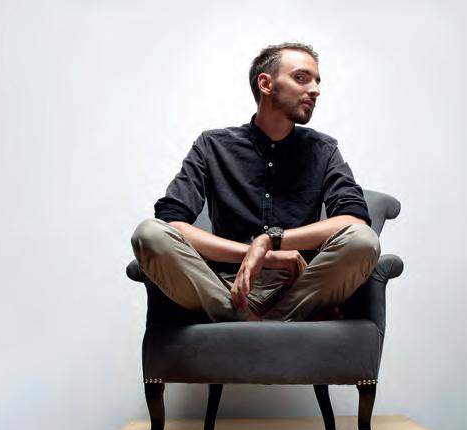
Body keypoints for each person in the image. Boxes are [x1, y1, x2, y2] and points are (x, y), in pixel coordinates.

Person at [131, 42, 380, 322]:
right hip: (224, 287)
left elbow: (354, 220)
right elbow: (172, 223)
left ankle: (244, 323)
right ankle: (264, 323)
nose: (315, 90)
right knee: (149, 234)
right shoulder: (212, 146)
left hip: (297, 289)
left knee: (362, 241)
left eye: (317, 81)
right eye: (301, 78)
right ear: (266, 84)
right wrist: (256, 255)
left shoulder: (324, 150)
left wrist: (270, 241)